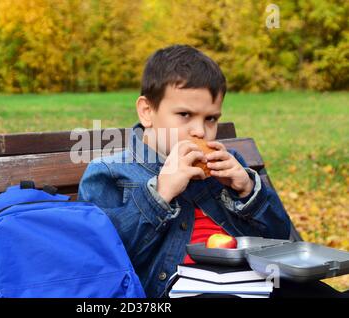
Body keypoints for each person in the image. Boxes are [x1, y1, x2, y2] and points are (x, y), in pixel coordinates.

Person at [77, 44, 343, 298]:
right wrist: (161, 193)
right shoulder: (110, 173)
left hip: (255, 283)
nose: (200, 131)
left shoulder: (228, 165)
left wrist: (247, 190)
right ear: (147, 111)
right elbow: (105, 266)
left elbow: (279, 239)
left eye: (211, 118)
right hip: (179, 292)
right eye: (184, 115)